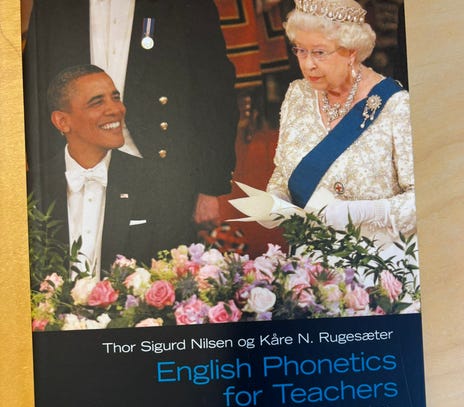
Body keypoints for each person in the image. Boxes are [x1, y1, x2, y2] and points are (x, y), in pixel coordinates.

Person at [23, 0, 238, 248]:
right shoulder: (52, 4)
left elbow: (214, 93)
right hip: (76, 174)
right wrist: (46, 178)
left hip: (164, 175)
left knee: (158, 268)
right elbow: (33, 89)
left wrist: (209, 187)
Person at [266, 0, 416, 249]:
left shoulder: (395, 105)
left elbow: (422, 201)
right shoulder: (297, 94)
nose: (308, 64)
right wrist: (276, 198)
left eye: (319, 52)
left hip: (378, 260)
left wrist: (361, 213)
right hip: (310, 259)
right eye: (300, 50)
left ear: (351, 52)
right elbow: (283, 172)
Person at [33, 64, 162, 278]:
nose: (116, 110)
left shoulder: (156, 181)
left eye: (115, 98)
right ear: (62, 121)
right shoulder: (30, 186)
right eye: (97, 102)